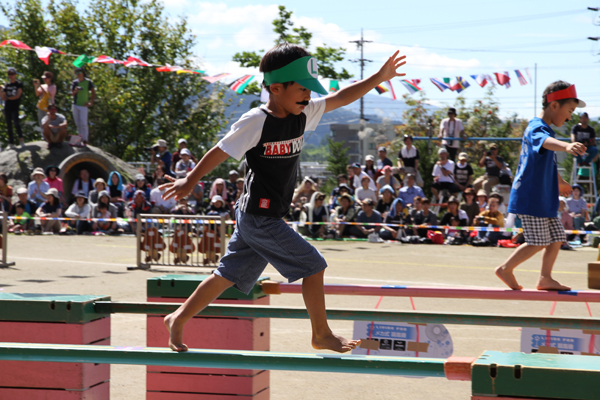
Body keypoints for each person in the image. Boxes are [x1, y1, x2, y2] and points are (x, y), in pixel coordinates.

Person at [158, 43, 405, 353]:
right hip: (258, 216)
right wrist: (189, 180)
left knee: (227, 274)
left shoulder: (304, 112)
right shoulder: (256, 121)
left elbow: (342, 97)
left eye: (311, 89)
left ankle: (178, 318)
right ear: (275, 88)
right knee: (313, 265)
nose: (308, 96)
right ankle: (321, 333)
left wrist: (378, 77)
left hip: (263, 216)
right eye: (302, 88)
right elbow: (219, 151)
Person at [495, 80, 587, 291]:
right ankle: (506, 268)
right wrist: (567, 145)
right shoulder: (537, 127)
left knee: (556, 237)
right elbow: (545, 142)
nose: (570, 116)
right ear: (554, 105)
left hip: (542, 196)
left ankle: (545, 278)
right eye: (569, 110)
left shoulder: (545, 129)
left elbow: (544, 163)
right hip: (530, 196)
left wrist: (560, 181)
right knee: (538, 241)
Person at [71, 68, 96, 146]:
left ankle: (85, 140)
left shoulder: (88, 82)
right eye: (77, 72)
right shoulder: (75, 82)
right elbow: (72, 94)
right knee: (78, 123)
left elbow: (93, 92)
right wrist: (76, 90)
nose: (78, 74)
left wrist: (90, 102)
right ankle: (79, 139)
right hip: (75, 104)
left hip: (83, 105)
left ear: (83, 73)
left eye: (80, 72)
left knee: (83, 123)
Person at [1, 67, 24, 147]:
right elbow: (3, 98)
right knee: (9, 125)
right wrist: (1, 91)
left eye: (12, 74)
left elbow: (17, 96)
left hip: (15, 107)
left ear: (15, 75)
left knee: (16, 123)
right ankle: (11, 143)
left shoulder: (19, 84)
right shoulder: (7, 85)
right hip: (7, 107)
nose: (10, 76)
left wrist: (8, 98)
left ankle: (21, 140)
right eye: (9, 74)